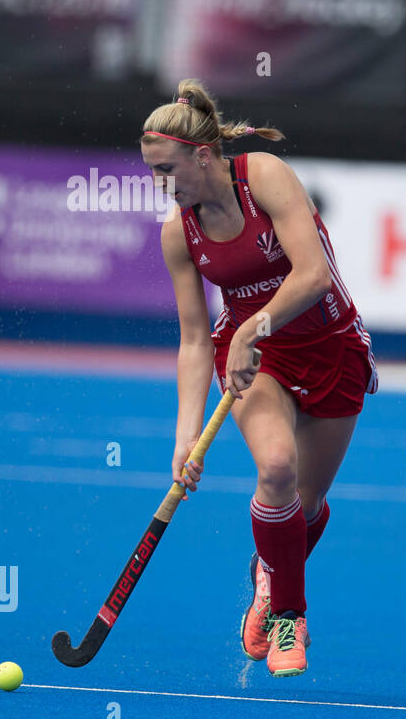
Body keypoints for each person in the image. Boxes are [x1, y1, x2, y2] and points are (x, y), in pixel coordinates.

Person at [143, 79, 378, 676]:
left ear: (203, 156)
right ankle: (289, 621)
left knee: (306, 506)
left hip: (331, 348)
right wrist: (186, 437)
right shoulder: (179, 232)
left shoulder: (263, 176)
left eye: (167, 170)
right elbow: (196, 339)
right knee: (276, 469)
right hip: (256, 363)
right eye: (150, 172)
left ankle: (266, 574)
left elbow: (314, 275)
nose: (160, 185)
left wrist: (256, 326)